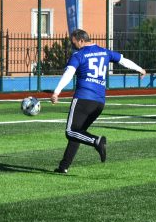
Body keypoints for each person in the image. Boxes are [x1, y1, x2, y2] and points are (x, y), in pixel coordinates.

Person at [50, 28, 146, 174]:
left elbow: (69, 73)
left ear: (81, 40)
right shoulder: (104, 51)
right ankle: (63, 166)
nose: (72, 46)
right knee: (79, 133)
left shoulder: (79, 55)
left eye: (73, 42)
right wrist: (140, 69)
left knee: (71, 131)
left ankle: (97, 141)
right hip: (99, 102)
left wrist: (57, 91)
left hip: (83, 99)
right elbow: (123, 60)